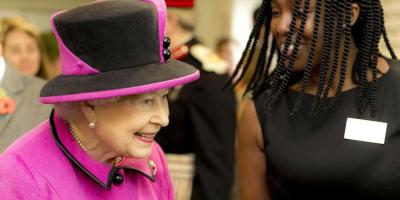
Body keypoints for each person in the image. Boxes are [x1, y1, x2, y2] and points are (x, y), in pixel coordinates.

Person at [0, 0, 199, 199]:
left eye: (164, 96)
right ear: (89, 104)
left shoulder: (153, 156)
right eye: (146, 102)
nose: (164, 119)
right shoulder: (20, 176)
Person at [233, 0, 400, 199]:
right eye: (276, 12)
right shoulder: (263, 112)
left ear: (349, 15)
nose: (281, 26)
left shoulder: (394, 90)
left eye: (301, 12)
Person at [155, 0, 237, 199]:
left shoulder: (207, 73)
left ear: (170, 20)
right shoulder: (164, 63)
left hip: (181, 187)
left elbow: (215, 163)